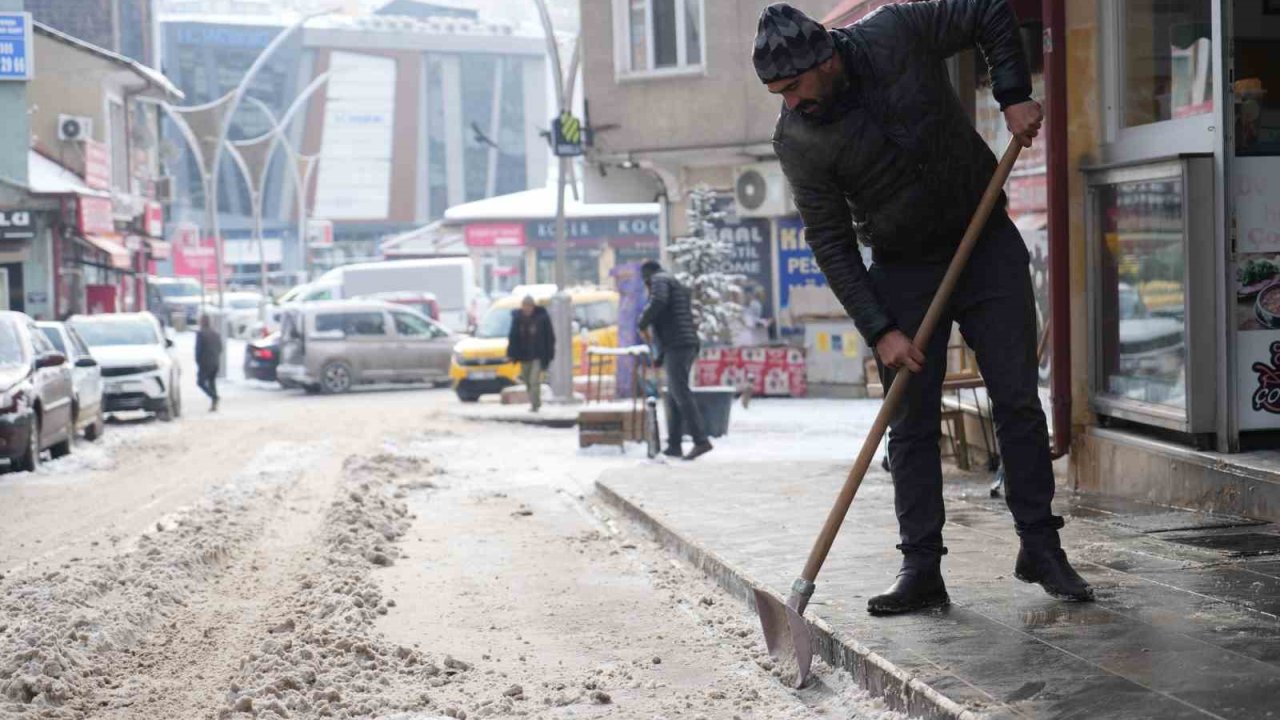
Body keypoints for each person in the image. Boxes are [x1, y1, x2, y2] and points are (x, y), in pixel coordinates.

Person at [754, 1, 1092, 615]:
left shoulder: (894, 31)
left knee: (1016, 397)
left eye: (795, 87)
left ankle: (1040, 545)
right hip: (902, 266)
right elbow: (830, 241)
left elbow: (987, 11)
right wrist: (879, 329)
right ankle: (921, 568)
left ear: (825, 58)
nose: (791, 103)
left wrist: (1013, 94)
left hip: (982, 235)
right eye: (779, 93)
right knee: (909, 421)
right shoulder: (798, 138)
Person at [638, 261, 713, 461]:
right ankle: (674, 445)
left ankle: (701, 440)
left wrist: (642, 320)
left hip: (678, 345)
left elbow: (659, 302)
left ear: (647, 276)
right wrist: (660, 355)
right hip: (682, 343)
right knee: (673, 394)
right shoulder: (672, 281)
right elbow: (670, 317)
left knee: (680, 392)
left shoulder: (659, 280)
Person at [506, 296, 554, 412]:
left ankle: (535, 404)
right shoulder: (518, 319)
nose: (527, 308)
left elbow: (549, 337)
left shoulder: (542, 318)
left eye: (529, 306)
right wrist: (511, 354)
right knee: (527, 380)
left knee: (534, 380)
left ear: (533, 306)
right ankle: (534, 401)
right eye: (525, 306)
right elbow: (513, 338)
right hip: (524, 356)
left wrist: (549, 354)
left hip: (537, 355)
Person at [195, 315, 222, 412]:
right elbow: (220, 348)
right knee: (212, 382)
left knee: (200, 382)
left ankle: (214, 397)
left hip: (205, 363)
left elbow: (198, 350)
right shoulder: (215, 334)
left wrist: (198, 361)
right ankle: (214, 404)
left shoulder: (200, 334)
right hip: (215, 362)